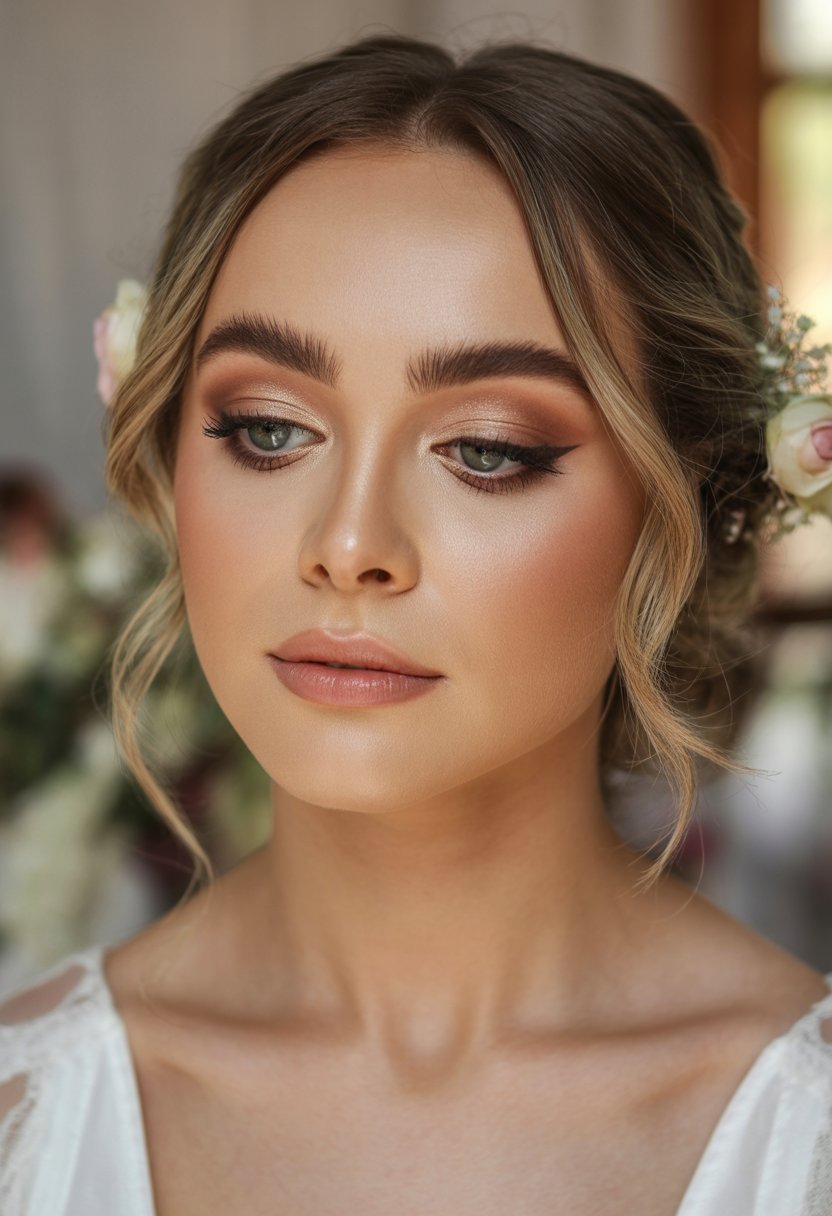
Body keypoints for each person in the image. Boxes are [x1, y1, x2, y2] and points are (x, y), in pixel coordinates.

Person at [2, 31, 832, 1216]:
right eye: (268, 428)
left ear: (684, 501)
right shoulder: (19, 1115)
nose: (346, 545)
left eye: (485, 449)